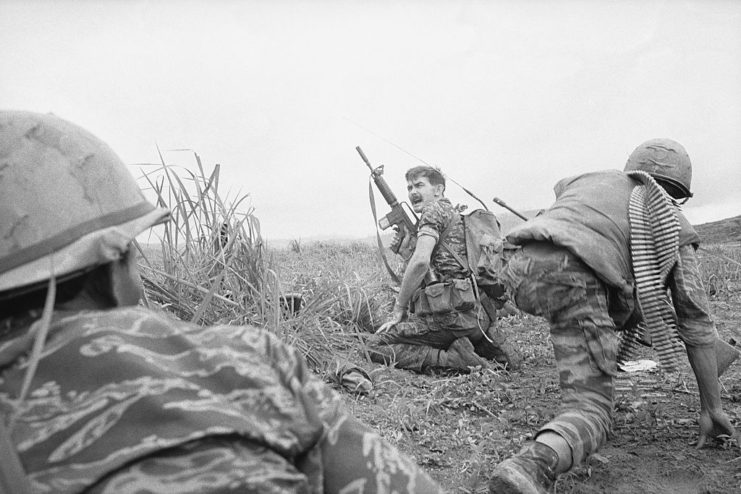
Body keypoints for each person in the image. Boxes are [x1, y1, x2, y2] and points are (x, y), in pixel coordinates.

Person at [0, 110, 444, 494]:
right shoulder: (252, 359)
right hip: (450, 316)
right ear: (116, 268)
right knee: (374, 346)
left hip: (445, 313)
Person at [487, 138, 738, 494]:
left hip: (520, 272)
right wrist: (712, 407)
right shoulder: (672, 221)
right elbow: (695, 322)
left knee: (590, 306)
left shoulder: (589, 181)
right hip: (577, 279)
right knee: (592, 411)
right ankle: (533, 465)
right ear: (679, 192)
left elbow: (566, 206)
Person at [367, 165, 522, 373]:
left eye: (419, 185)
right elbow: (434, 271)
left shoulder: (432, 211)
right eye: (409, 187)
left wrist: (399, 309)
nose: (413, 192)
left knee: (373, 345)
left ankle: (451, 358)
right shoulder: (454, 215)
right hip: (479, 315)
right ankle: (484, 344)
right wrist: (406, 253)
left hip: (451, 319)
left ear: (438, 190)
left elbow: (421, 263)